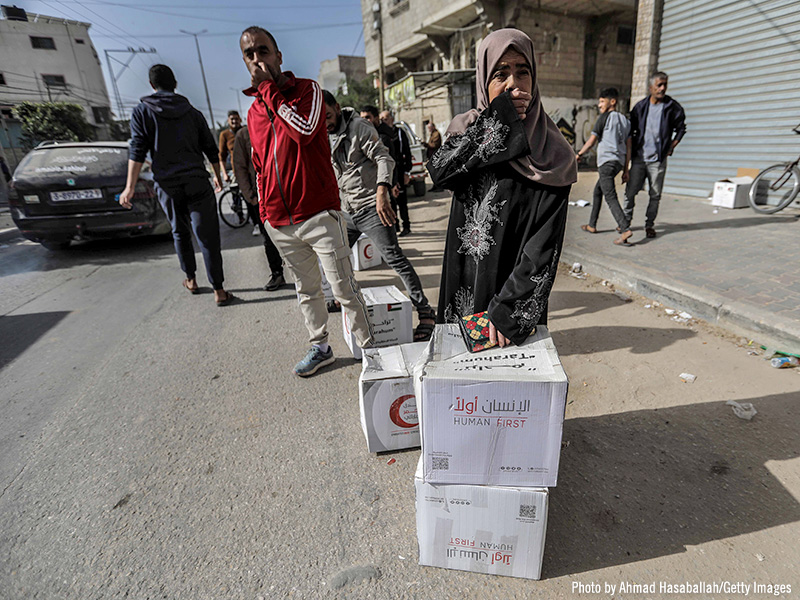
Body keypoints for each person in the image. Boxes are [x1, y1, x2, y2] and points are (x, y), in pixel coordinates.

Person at [428, 28, 577, 348]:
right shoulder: (467, 129)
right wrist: (496, 123)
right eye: (501, 73)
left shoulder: (553, 153)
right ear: (484, 79)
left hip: (511, 299)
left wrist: (507, 313)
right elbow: (440, 173)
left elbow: (543, 249)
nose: (513, 83)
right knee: (461, 386)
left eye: (523, 72)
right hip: (464, 284)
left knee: (506, 395)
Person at [240, 25, 372, 377]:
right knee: (307, 289)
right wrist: (266, 213)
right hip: (280, 222)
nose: (257, 59)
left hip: (318, 214)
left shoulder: (307, 92)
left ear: (278, 56)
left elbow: (302, 131)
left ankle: (371, 354)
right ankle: (321, 346)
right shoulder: (253, 112)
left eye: (263, 51)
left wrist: (270, 89)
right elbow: (259, 164)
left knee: (344, 287)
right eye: (249, 55)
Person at [324, 91, 437, 341]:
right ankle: (336, 298)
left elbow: (384, 158)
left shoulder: (359, 127)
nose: (326, 123)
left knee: (395, 258)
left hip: (372, 209)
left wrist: (382, 191)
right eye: (321, 119)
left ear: (337, 107)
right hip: (346, 211)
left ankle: (425, 311)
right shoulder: (323, 134)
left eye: (329, 116)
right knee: (335, 256)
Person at [120, 64, 234, 306]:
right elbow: (211, 149)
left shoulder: (142, 112)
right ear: (175, 84)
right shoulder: (193, 113)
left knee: (180, 232)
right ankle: (219, 290)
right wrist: (217, 176)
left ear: (152, 86)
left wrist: (129, 186)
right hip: (196, 180)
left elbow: (138, 149)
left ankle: (191, 280)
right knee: (207, 236)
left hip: (167, 184)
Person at [624, 71, 686, 239]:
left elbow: (681, 128)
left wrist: (672, 144)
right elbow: (630, 129)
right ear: (650, 87)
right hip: (638, 158)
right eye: (659, 85)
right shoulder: (640, 107)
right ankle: (625, 223)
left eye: (665, 84)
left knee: (655, 195)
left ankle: (649, 225)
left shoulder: (672, 107)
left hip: (657, 161)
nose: (662, 88)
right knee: (630, 192)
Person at [575, 87, 633, 245]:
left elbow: (591, 140)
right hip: (618, 163)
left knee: (610, 196)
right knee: (597, 191)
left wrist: (579, 155)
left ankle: (625, 228)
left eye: (602, 101)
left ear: (612, 102)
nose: (599, 105)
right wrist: (626, 170)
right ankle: (592, 225)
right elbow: (629, 147)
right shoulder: (625, 121)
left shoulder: (604, 118)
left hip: (606, 162)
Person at [232, 126, 286, 291]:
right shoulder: (244, 134)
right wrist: (250, 196)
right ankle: (277, 273)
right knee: (269, 237)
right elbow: (240, 166)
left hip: (286, 190)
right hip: (260, 196)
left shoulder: (280, 122)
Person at [380, 109, 413, 237]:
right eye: (382, 118)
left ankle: (406, 226)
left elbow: (407, 152)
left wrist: (406, 172)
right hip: (388, 172)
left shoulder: (399, 132)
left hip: (399, 170)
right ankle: (395, 225)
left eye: (386, 118)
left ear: (392, 119)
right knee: (391, 201)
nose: (384, 120)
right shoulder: (381, 134)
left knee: (402, 201)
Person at [218, 110, 243, 181]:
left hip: (251, 168)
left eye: (236, 119)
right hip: (237, 170)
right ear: (228, 121)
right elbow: (222, 156)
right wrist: (225, 174)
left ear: (240, 120)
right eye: (232, 119)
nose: (234, 121)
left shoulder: (245, 131)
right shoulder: (225, 135)